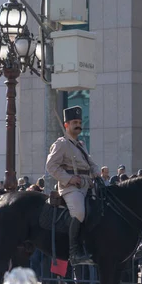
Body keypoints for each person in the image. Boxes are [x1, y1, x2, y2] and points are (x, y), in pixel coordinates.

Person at [45, 106, 100, 266]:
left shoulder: (81, 144)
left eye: (79, 122)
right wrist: (69, 178)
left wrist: (97, 172)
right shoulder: (61, 143)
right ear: (66, 124)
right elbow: (51, 166)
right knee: (79, 213)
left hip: (87, 184)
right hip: (71, 187)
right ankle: (74, 253)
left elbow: (90, 163)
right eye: (74, 122)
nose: (78, 125)